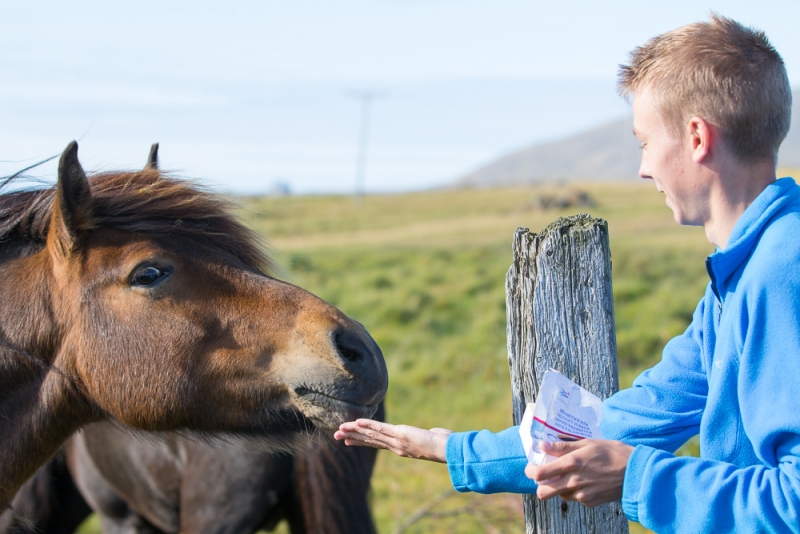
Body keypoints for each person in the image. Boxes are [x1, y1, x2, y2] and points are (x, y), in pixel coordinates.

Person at [335, 14, 800, 533]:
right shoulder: (739, 276)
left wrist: (636, 480)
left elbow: (793, 502)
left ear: (696, 138)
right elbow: (628, 421)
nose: (643, 168)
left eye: (645, 142)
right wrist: (452, 449)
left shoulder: (782, 274)